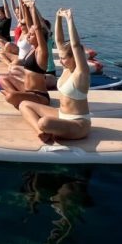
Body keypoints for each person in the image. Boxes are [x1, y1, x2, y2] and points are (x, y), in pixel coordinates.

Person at [19, 9, 91, 144]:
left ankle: (45, 129)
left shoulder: (81, 73)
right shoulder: (66, 70)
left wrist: (69, 20)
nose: (61, 61)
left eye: (64, 58)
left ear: (74, 58)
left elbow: (75, 45)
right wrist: (57, 18)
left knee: (44, 122)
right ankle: (41, 133)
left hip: (78, 124)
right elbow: (59, 40)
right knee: (24, 105)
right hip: (61, 115)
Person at [0, 0, 54, 108]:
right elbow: (30, 25)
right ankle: (20, 97)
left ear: (39, 38)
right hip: (26, 89)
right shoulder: (32, 49)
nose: (28, 35)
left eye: (32, 35)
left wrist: (32, 8)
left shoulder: (42, 51)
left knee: (9, 96)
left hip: (39, 95)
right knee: (3, 78)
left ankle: (18, 98)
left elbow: (37, 28)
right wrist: (23, 5)